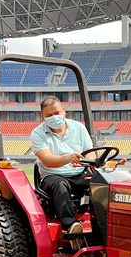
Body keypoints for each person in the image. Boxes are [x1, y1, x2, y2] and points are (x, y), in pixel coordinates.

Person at [30, 96, 95, 235]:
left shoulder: (79, 128)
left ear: (64, 111)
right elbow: (47, 160)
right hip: (52, 175)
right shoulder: (38, 134)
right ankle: (70, 225)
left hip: (79, 174)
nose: (54, 117)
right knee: (60, 184)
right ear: (43, 117)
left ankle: (101, 221)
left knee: (100, 182)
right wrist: (69, 158)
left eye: (57, 113)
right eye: (49, 115)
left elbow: (90, 154)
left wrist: (93, 164)